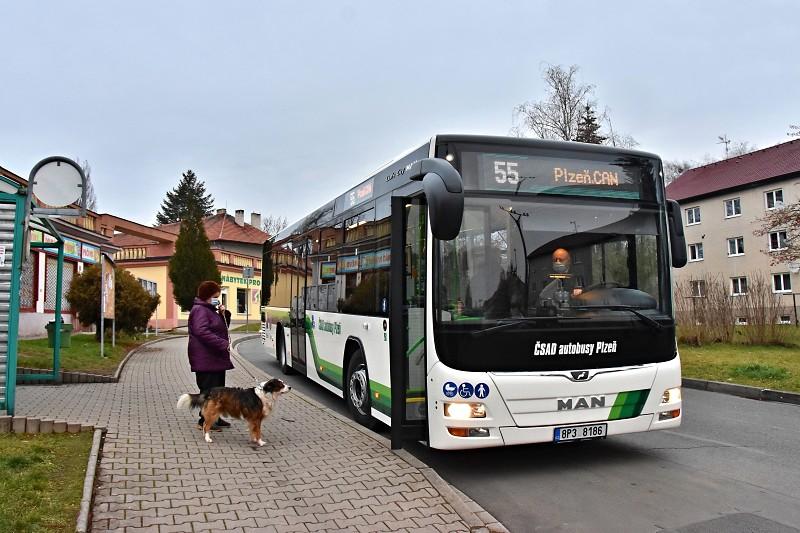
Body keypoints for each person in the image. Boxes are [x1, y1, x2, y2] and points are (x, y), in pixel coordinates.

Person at [188, 280, 233, 431]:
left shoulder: (210, 309)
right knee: (208, 390)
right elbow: (201, 332)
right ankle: (204, 421)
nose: (217, 299)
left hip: (215, 358)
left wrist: (223, 313)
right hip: (206, 358)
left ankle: (216, 417)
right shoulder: (200, 310)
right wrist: (222, 344)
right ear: (207, 296)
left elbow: (221, 326)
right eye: (215, 296)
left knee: (218, 390)